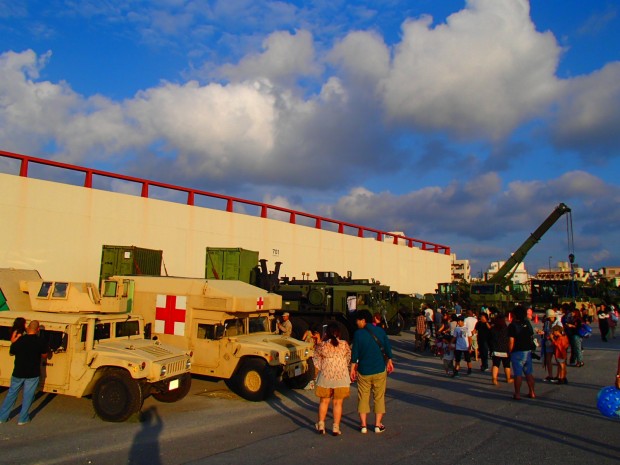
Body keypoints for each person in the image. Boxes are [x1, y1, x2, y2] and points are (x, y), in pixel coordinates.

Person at [350, 310, 394, 434]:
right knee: (379, 397)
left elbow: (355, 353)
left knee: (363, 397)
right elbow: (387, 347)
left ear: (363, 320)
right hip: (379, 369)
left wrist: (352, 368)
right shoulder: (380, 331)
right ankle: (377, 425)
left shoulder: (358, 334)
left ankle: (363, 425)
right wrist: (390, 360)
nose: (356, 323)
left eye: (357, 320)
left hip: (364, 370)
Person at [0, 320, 49, 425]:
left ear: (27, 329)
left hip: (18, 372)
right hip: (32, 373)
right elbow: (45, 356)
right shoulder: (40, 341)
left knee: (11, 394)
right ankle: (23, 419)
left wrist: (13, 342)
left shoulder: (19, 339)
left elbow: (11, 353)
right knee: (28, 396)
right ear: (38, 330)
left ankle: (2, 417)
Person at [313, 323, 351, 436]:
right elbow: (348, 357)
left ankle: (321, 425)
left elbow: (315, 358)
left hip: (326, 376)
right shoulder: (344, 344)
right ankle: (335, 427)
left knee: (324, 401)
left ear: (327, 333)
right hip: (341, 376)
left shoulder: (322, 345)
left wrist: (323, 367)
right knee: (337, 403)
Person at [508, 306, 536, 400]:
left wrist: (509, 351)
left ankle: (517, 394)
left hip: (517, 351)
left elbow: (511, 341)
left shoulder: (513, 325)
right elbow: (531, 335)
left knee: (518, 374)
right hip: (527, 351)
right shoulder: (527, 324)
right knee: (529, 373)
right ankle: (532, 392)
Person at [489, 313, 512, 385]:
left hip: (496, 349)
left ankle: (494, 379)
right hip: (505, 350)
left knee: (495, 364)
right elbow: (509, 340)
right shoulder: (507, 329)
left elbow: (490, 339)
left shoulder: (493, 329)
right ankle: (508, 379)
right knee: (506, 365)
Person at [540, 309, 562, 382]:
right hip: (548, 343)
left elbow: (561, 333)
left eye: (551, 317)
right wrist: (542, 332)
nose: (550, 318)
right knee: (548, 359)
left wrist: (552, 336)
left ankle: (558, 376)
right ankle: (550, 375)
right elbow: (545, 331)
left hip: (556, 344)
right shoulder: (547, 323)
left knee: (558, 360)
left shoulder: (558, 323)